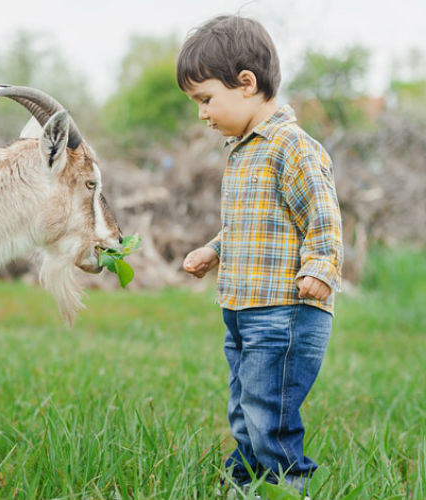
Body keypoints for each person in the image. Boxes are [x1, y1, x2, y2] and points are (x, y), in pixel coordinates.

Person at [176, 15, 344, 496]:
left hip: (284, 311)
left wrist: (320, 269)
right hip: (243, 308)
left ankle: (287, 484)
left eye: (205, 99)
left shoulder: (291, 146)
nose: (202, 114)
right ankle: (247, 480)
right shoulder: (243, 150)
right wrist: (213, 250)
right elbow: (253, 226)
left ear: (245, 83)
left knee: (269, 409)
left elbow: (323, 217)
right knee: (245, 403)